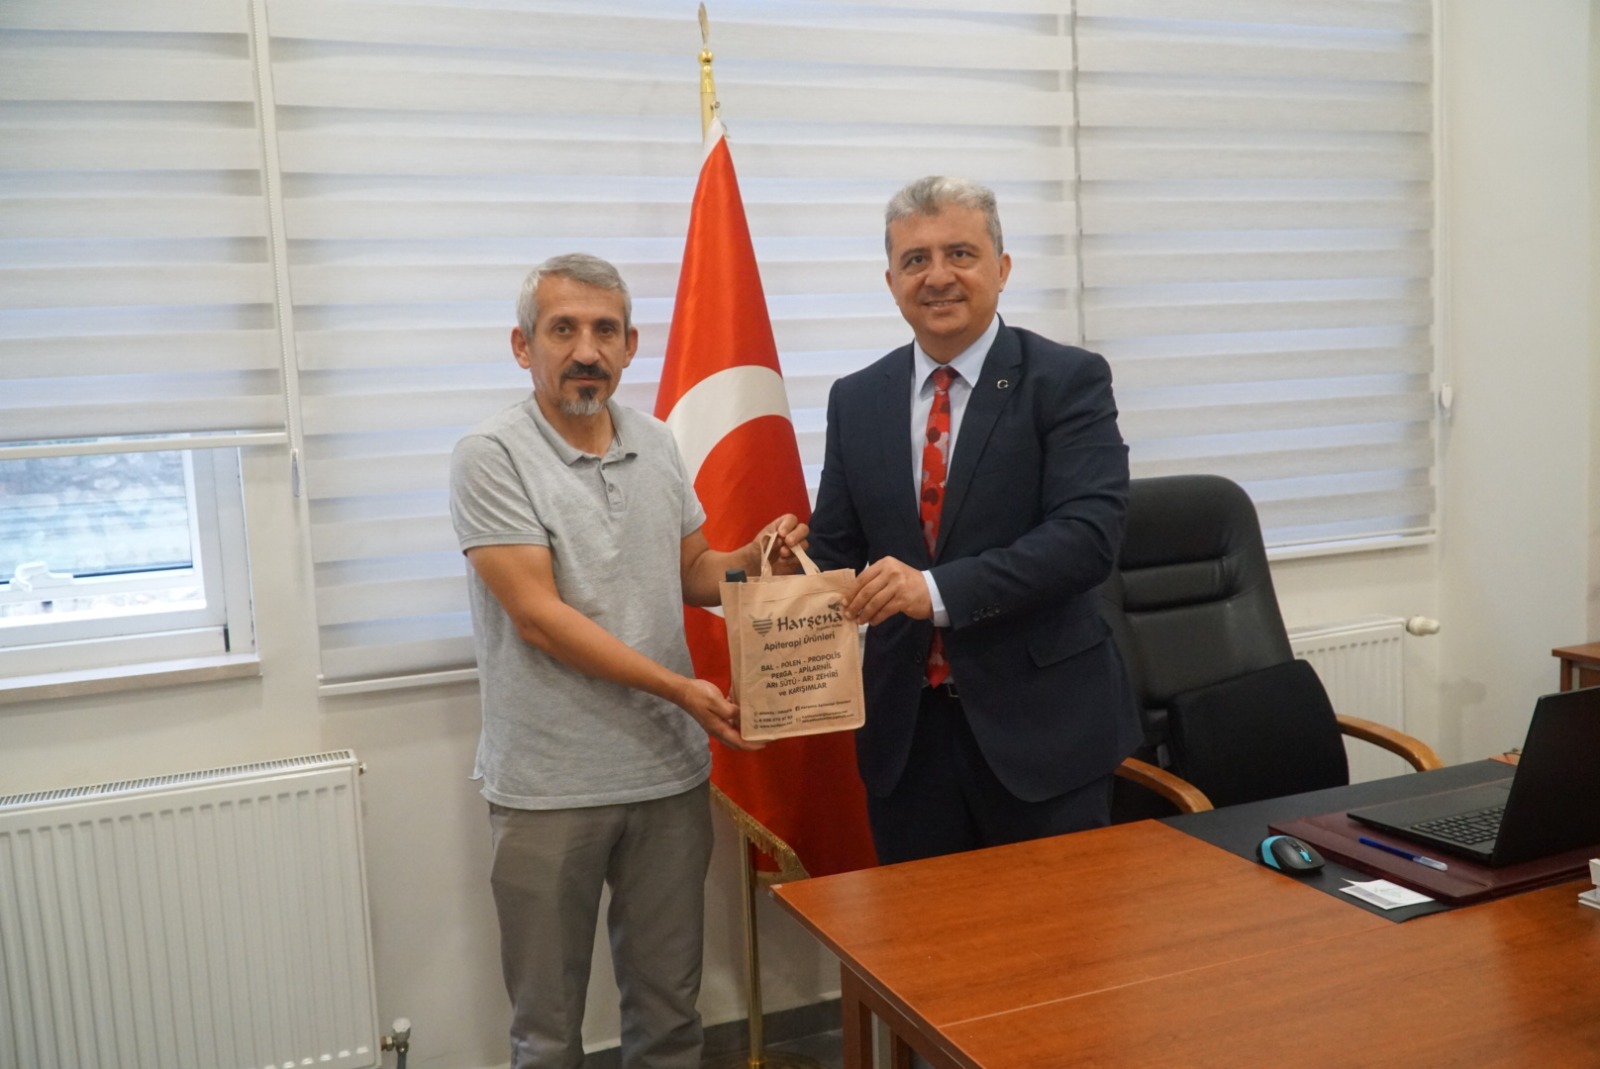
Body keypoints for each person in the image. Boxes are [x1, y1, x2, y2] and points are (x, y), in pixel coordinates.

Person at [449, 252, 805, 1069]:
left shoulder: (656, 440)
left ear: (630, 344)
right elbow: (540, 618)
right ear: (522, 345)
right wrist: (679, 688)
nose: (586, 350)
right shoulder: (489, 454)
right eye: (562, 329)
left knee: (671, 1018)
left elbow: (694, 571)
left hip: (666, 778)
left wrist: (756, 559)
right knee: (547, 1034)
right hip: (549, 786)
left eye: (605, 330)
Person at [807, 176, 1143, 864]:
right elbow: (837, 552)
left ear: (1002, 266)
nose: (937, 276)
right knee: (921, 933)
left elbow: (1087, 540)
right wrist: (794, 563)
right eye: (915, 260)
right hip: (907, 743)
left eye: (960, 253)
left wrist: (932, 592)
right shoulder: (856, 398)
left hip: (1043, 734)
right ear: (891, 281)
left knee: (1058, 930)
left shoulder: (1067, 380)